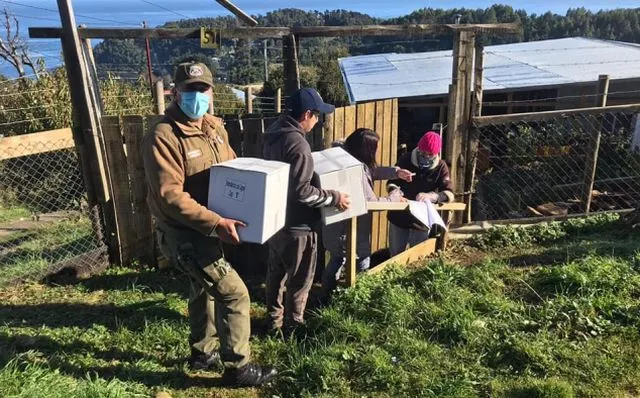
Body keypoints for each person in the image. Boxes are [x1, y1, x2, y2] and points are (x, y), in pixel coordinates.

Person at [142, 61, 277, 386]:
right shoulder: (164, 136)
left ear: (211, 91)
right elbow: (169, 196)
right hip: (186, 234)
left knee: (203, 290)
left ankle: (203, 353)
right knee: (234, 294)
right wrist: (215, 222)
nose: (197, 95)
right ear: (176, 92)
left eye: (203, 88)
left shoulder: (214, 127)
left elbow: (232, 169)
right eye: (190, 89)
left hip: (212, 226)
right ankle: (239, 369)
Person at [262, 87, 351, 333]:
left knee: (276, 276)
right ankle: (294, 326)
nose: (317, 120)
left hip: (276, 220)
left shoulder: (273, 134)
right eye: (317, 115)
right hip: (299, 226)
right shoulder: (298, 145)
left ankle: (273, 322)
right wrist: (334, 197)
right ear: (307, 114)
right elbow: (302, 192)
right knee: (300, 280)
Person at [320, 128, 413, 299]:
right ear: (365, 150)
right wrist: (395, 196)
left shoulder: (340, 157)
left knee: (336, 259)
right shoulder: (354, 169)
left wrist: (395, 172)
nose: (375, 152)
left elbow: (371, 171)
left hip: (334, 224)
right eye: (373, 148)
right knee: (362, 262)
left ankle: (324, 297)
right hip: (349, 228)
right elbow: (371, 203)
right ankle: (355, 299)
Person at [387, 131, 454, 256]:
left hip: (421, 220)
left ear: (436, 153)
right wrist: (396, 194)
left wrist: (433, 196)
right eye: (423, 153)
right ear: (418, 149)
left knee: (417, 257)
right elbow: (391, 183)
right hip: (399, 215)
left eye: (430, 154)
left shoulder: (441, 167)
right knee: (395, 255)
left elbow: (449, 193)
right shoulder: (406, 159)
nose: (426, 157)